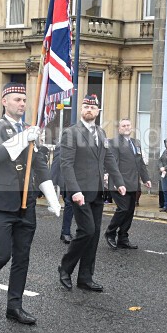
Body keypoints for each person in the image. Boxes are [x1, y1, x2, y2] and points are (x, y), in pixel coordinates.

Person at [0, 82, 61, 324]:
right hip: (0, 202)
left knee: (22, 257)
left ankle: (14, 306)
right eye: (17, 99)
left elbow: (40, 165)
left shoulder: (31, 130)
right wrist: (24, 137)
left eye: (23, 100)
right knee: (1, 255)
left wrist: (52, 197)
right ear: (4, 101)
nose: (22, 103)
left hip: (26, 202)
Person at [58, 94, 125, 293]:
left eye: (93, 107)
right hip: (80, 192)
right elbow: (66, 164)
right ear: (81, 110)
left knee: (94, 234)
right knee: (86, 230)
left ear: (98, 111)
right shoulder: (71, 133)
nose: (89, 109)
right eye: (86, 106)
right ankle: (65, 266)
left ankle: (85, 277)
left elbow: (109, 158)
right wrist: (74, 190)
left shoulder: (101, 132)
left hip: (97, 192)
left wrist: (119, 182)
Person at [104, 118, 151, 249]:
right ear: (119, 129)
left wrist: (146, 178)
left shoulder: (136, 143)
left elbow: (140, 163)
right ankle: (110, 233)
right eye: (123, 126)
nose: (126, 127)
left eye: (128, 125)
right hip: (119, 183)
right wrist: (116, 182)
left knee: (129, 211)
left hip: (133, 183)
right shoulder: (114, 143)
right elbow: (113, 164)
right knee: (123, 209)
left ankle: (123, 238)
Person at [50, 144, 75, 243]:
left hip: (80, 180)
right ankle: (66, 232)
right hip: (66, 180)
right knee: (69, 204)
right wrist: (52, 182)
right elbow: (56, 163)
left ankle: (68, 232)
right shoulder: (63, 145)